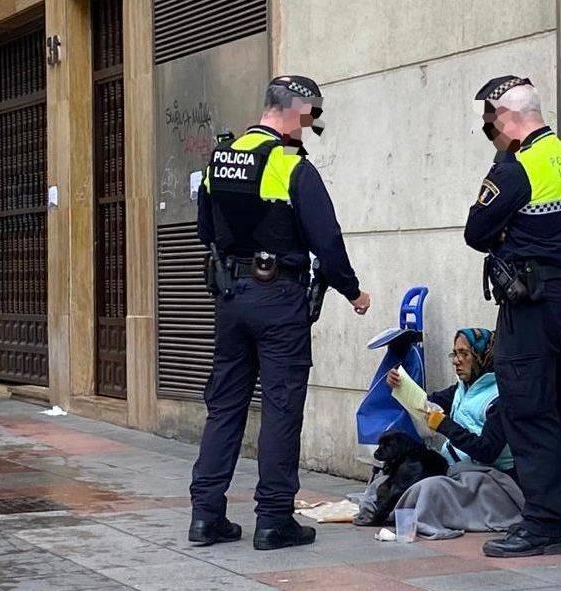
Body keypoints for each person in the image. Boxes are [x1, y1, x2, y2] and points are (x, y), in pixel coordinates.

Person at [189, 75, 371, 551]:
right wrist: (352, 291)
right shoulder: (292, 166)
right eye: (311, 116)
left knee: (224, 406)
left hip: (230, 297)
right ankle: (273, 521)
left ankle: (206, 517)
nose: (311, 126)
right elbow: (326, 240)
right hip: (279, 299)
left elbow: (205, 228)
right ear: (297, 110)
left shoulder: (219, 159)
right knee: (281, 407)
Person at [463, 76, 561, 557]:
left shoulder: (515, 169)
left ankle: (541, 525)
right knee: (556, 408)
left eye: (489, 122)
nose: (488, 132)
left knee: (527, 409)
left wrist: (502, 163)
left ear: (505, 117)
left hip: (528, 303)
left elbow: (477, 230)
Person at [386, 328, 514, 476]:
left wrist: (445, 425)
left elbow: (487, 451)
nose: (456, 361)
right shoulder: (462, 388)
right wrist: (400, 384)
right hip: (455, 466)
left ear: (483, 356)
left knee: (424, 490)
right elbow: (424, 403)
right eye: (455, 354)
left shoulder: (499, 398)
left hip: (488, 476)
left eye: (464, 354)